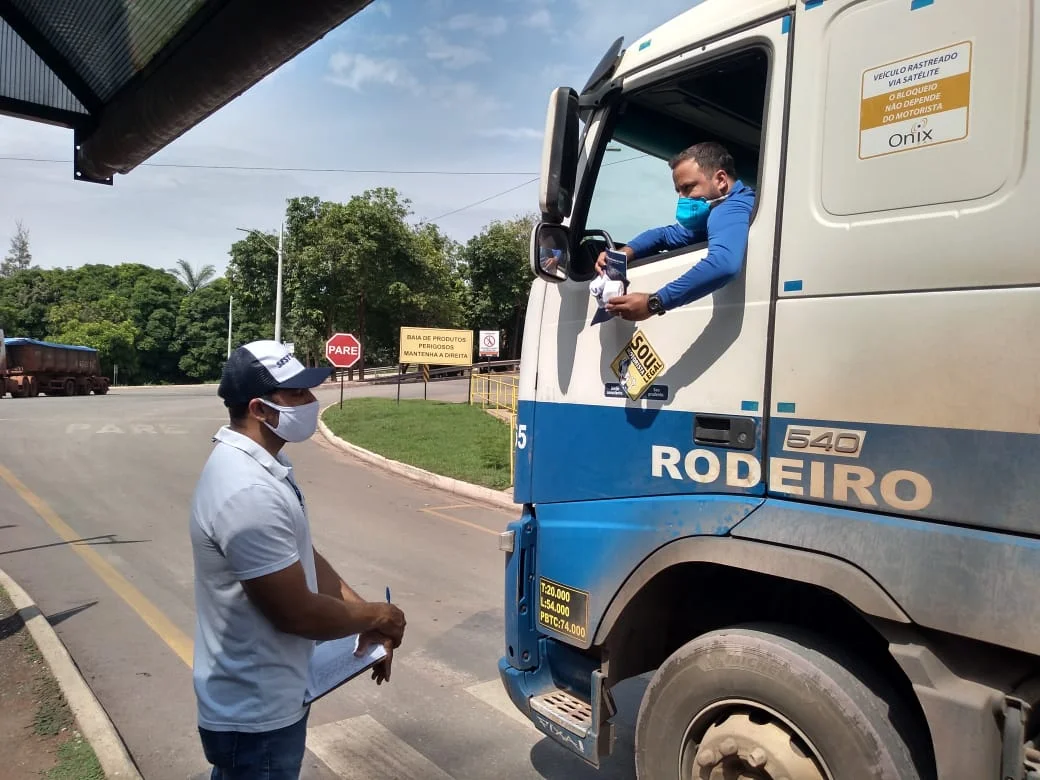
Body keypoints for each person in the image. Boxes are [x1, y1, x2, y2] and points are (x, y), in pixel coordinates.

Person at [190, 340, 406, 780]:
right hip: (256, 715)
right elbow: (298, 614)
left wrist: (368, 622)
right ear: (260, 409)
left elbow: (303, 555)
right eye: (297, 395)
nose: (311, 402)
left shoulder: (267, 463)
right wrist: (383, 614)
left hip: (274, 694)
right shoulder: (246, 490)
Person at [597, 141, 755, 321]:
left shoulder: (729, 210)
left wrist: (653, 303)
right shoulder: (728, 208)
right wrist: (620, 255)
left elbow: (723, 265)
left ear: (720, 180)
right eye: (678, 191)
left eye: (688, 188)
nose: (682, 198)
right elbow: (664, 235)